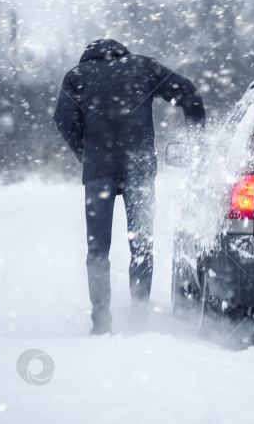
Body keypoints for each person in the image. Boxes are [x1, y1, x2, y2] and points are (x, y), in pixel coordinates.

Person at [54, 39, 205, 335]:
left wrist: (85, 152)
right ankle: (138, 318)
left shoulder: (77, 76)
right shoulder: (143, 66)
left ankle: (100, 323)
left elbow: (63, 119)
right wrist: (197, 143)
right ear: (121, 50)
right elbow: (189, 94)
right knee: (141, 246)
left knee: (98, 249)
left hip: (98, 171)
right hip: (139, 168)